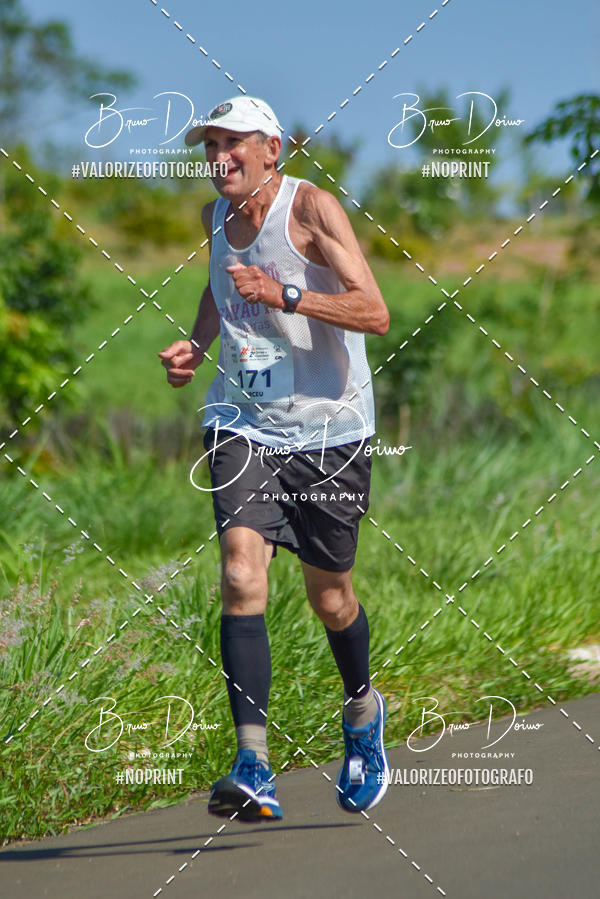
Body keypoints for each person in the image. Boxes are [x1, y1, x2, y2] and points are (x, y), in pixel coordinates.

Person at [159, 96, 390, 821]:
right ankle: (253, 760)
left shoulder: (313, 209)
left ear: (273, 150)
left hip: (329, 429)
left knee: (330, 597)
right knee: (238, 570)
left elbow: (375, 312)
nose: (217, 158)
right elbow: (219, 284)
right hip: (243, 422)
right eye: (209, 146)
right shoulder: (215, 219)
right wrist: (198, 345)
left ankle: (360, 713)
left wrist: (287, 291)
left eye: (232, 145)